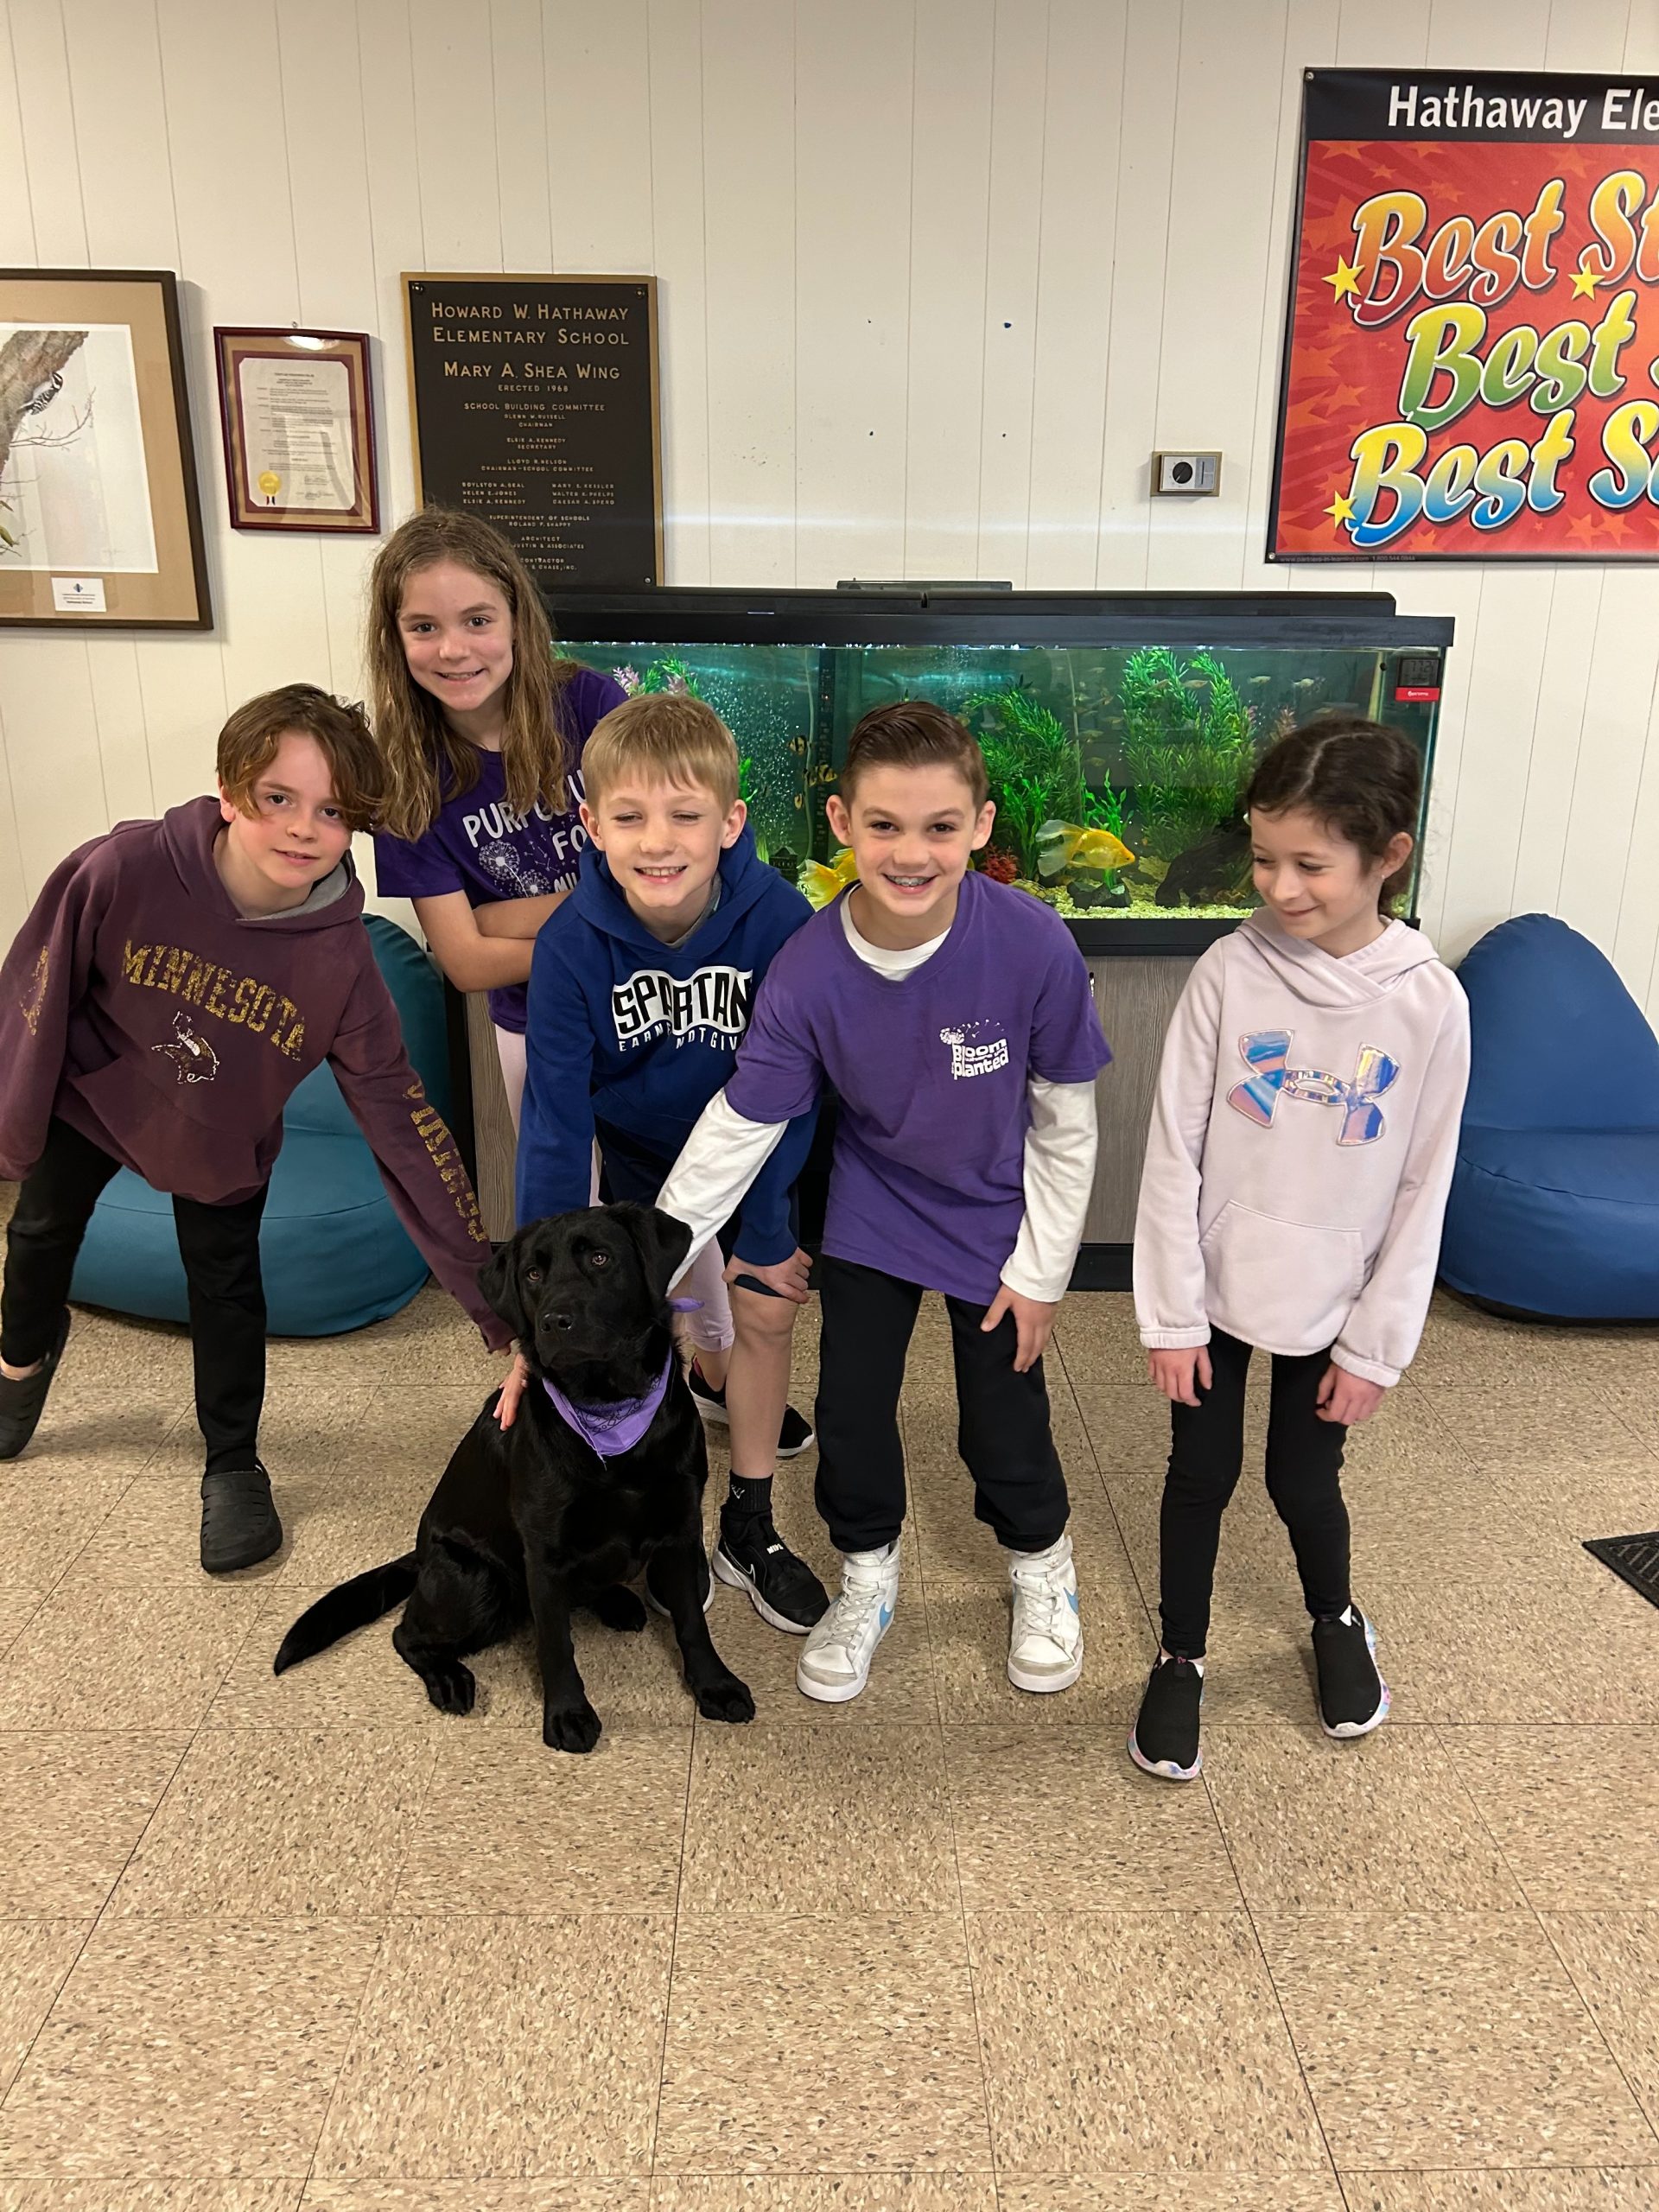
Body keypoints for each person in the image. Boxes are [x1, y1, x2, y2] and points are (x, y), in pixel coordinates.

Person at [655, 700, 1112, 1704]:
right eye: (885, 825)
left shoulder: (1033, 945)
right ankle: (867, 1575)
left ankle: (1042, 1565)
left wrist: (1042, 1274)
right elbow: (744, 1121)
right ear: (841, 822)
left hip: (997, 1219)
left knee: (1001, 1421)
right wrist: (661, 1249)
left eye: (940, 826)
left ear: (981, 826)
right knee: (853, 1410)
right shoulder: (809, 969)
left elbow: (1066, 1125)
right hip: (875, 1209)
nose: (912, 853)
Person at [0, 685, 512, 1573]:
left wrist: (494, 1305)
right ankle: (17, 1366)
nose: (304, 829)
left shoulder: (344, 962)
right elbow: (32, 990)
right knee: (39, 1231)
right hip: (97, 1092)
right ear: (231, 790)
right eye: (279, 797)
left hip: (220, 1133)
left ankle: (234, 1462)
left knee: (228, 1286)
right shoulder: (121, 868)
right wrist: (12, 1131)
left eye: (333, 811)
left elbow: (404, 1119)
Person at [1129, 716, 1471, 1781]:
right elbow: (1173, 1150)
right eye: (1265, 857)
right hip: (1216, 1286)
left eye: (1311, 864)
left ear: (1388, 855)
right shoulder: (1229, 972)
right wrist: (1171, 1316)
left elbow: (1422, 1191)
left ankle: (1336, 1618)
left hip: (1338, 1296)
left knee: (1301, 1480)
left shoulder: (1430, 1004)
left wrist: (1377, 1348)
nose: (1280, 887)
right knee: (1201, 1474)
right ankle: (1180, 1655)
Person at [509, 692, 827, 1632]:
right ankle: (673, 1459)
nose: (658, 841)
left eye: (686, 815)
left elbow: (792, 1089)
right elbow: (556, 1124)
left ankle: (751, 1522)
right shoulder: (568, 945)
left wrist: (763, 1234)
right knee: (655, 1316)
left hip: (759, 1156)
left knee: (763, 1308)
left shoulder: (783, 922)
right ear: (591, 824)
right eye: (630, 816)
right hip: (641, 1164)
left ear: (729, 821)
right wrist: (537, 1294)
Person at [366, 505, 627, 1133]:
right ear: (394, 639)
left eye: (478, 620)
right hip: (533, 1025)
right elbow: (466, 964)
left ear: (516, 620)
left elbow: (658, 878)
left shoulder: (590, 704)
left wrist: (498, 919)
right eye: (423, 627)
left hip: (645, 1004)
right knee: (564, 1188)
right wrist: (610, 925)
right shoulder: (402, 775)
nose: (453, 649)